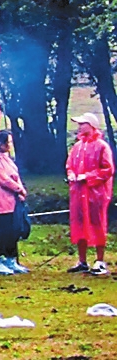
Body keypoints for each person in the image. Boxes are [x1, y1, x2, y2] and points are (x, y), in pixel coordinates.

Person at [66, 114, 113, 275]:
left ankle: (99, 261)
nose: (79, 126)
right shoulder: (77, 146)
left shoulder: (102, 146)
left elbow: (108, 169)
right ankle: (82, 261)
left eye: (82, 124)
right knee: (79, 223)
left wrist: (87, 176)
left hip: (96, 193)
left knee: (97, 223)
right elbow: (69, 165)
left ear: (91, 125)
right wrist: (71, 174)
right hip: (78, 193)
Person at [0, 130, 29, 276]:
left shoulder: (7, 158)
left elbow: (15, 176)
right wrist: (19, 189)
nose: (10, 145)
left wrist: (21, 190)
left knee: (13, 230)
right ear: (1, 144)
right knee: (1, 231)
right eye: (8, 142)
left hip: (13, 199)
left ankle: (11, 259)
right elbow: (3, 179)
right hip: (1, 199)